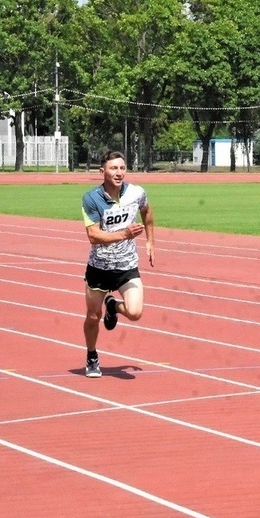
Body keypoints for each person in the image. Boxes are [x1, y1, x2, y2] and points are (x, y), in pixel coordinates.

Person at [81, 151, 155, 378]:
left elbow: (147, 211)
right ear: (102, 172)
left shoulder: (136, 192)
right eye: (114, 168)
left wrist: (151, 240)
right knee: (93, 316)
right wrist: (124, 234)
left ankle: (113, 306)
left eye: (122, 168)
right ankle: (92, 356)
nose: (119, 173)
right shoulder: (91, 199)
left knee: (135, 312)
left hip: (127, 265)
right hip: (99, 267)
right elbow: (93, 236)